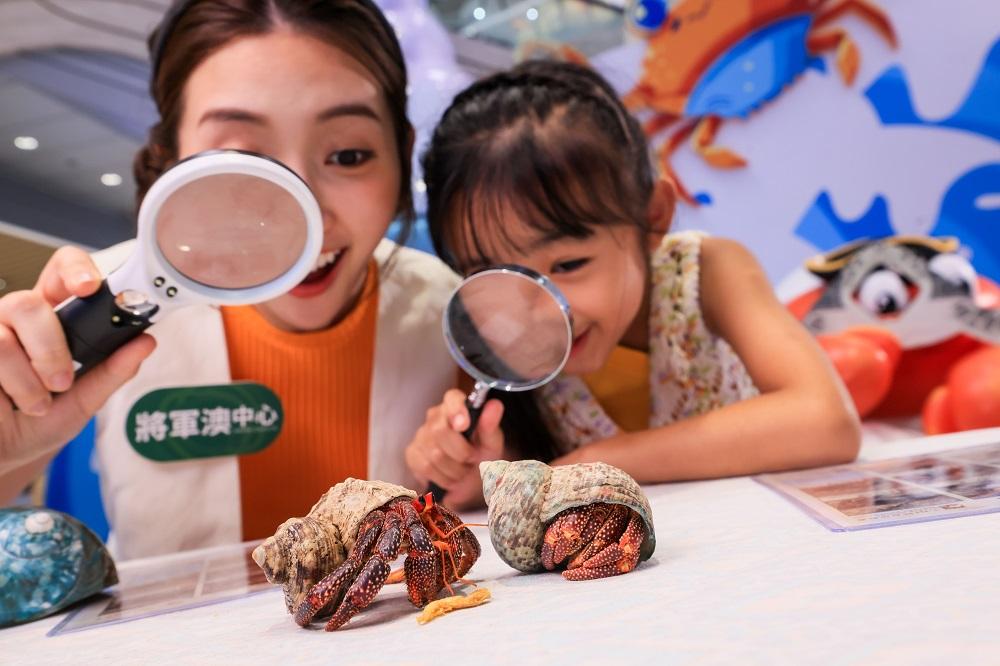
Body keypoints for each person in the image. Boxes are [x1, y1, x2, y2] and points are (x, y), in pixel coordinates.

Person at [0, 0, 459, 559]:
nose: (304, 219)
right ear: (171, 161)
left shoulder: (447, 312)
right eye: (242, 160)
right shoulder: (98, 301)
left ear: (401, 152)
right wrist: (13, 442)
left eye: (348, 154)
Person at [406, 60, 862, 507]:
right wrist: (472, 471)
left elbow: (826, 420)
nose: (539, 312)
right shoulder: (495, 342)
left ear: (653, 219)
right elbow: (513, 482)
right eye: (491, 275)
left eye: (568, 263)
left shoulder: (707, 272)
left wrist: (598, 460)